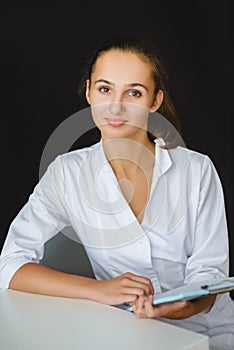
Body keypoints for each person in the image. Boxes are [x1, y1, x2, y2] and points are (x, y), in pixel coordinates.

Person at [0, 34, 233, 349]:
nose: (116, 107)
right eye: (105, 89)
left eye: (134, 92)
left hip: (209, 332)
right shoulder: (67, 172)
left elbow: (211, 273)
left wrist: (181, 309)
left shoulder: (197, 169)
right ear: (89, 93)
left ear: (155, 101)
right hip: (125, 332)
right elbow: (10, 264)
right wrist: (98, 290)